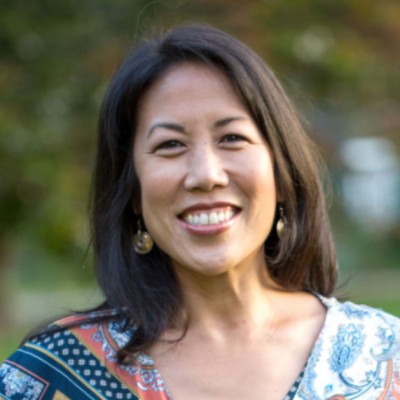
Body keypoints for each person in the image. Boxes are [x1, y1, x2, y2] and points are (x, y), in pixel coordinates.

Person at [1, 23, 399, 400]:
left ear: (281, 172)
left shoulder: (385, 358)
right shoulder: (55, 374)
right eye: (170, 145)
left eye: (232, 138)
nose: (206, 175)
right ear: (133, 191)